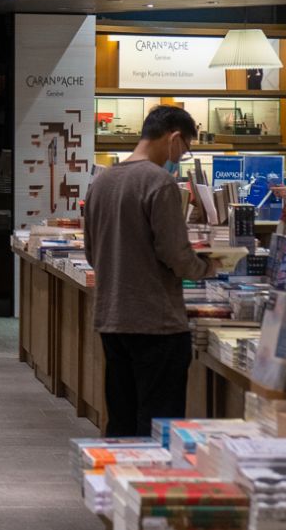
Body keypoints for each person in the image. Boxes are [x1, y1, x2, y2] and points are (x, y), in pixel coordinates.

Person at [83, 105, 219, 437]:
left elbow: (91, 252)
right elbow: (174, 253)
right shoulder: (160, 183)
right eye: (185, 149)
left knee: (122, 417)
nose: (182, 156)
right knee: (159, 424)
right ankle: (151, 487)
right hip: (157, 322)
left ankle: (117, 485)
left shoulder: (101, 182)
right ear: (174, 138)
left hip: (112, 317)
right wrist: (207, 267)